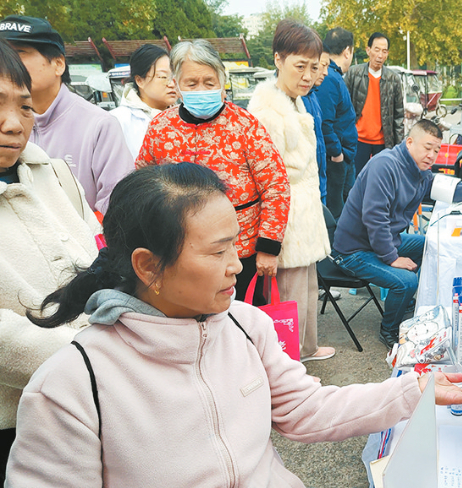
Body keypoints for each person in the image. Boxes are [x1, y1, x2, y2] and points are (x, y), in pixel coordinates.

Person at [1, 162, 462, 488]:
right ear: (148, 267)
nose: (237, 265)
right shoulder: (72, 382)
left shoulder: (245, 325)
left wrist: (414, 392)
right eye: (216, 251)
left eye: (237, 245)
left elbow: (303, 407)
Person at [0, 39, 100, 488]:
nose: (14, 123)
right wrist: (89, 360)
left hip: (97, 399)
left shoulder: (55, 174)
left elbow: (101, 262)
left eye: (23, 104)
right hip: (19, 419)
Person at [332, 119, 462, 348]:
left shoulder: (421, 174)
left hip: (381, 242)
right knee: (406, 281)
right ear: (409, 142)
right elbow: (374, 218)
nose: (432, 155)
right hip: (353, 251)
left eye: (436, 150)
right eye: (427, 148)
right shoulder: (385, 165)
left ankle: (406, 304)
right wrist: (392, 258)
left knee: (432, 245)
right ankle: (390, 330)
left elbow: (457, 191)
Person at [136, 39, 290, 305]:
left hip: (240, 254)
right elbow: (142, 184)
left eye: (209, 82)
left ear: (222, 81)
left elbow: (276, 185)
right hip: (178, 253)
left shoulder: (245, 125)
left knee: (239, 324)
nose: (201, 89)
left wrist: (268, 247)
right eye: (192, 83)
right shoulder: (160, 128)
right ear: (176, 84)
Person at [248, 21, 335, 362]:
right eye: (300, 66)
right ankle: (289, 363)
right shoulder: (268, 111)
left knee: (306, 287)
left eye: (314, 68)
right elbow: (267, 179)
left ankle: (306, 348)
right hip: (286, 217)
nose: (308, 76)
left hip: (303, 211)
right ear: (278, 60)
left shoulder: (294, 101)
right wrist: (270, 239)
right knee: (288, 294)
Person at [0, 15, 134, 214]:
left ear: (58, 64)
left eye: (19, 53)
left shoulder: (99, 125)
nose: (9, 64)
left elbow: (119, 209)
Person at [344, 32, 404, 174]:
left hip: (383, 143)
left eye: (384, 51)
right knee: (356, 183)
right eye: (376, 50)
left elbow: (399, 116)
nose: (380, 55)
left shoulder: (393, 79)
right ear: (368, 50)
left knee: (379, 183)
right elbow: (344, 108)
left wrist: (399, 148)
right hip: (358, 140)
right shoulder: (354, 74)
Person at [317, 27, 358, 219]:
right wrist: (337, 154)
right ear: (347, 51)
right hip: (338, 159)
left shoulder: (333, 77)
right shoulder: (330, 79)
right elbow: (325, 122)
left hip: (343, 155)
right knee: (339, 214)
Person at [110, 44, 178, 157]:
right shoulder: (117, 121)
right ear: (139, 80)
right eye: (163, 77)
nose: (171, 84)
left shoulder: (186, 117)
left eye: (174, 77)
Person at [302, 45, 329, 205]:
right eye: (322, 66)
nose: (325, 72)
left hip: (320, 184)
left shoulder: (313, 96)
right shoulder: (296, 100)